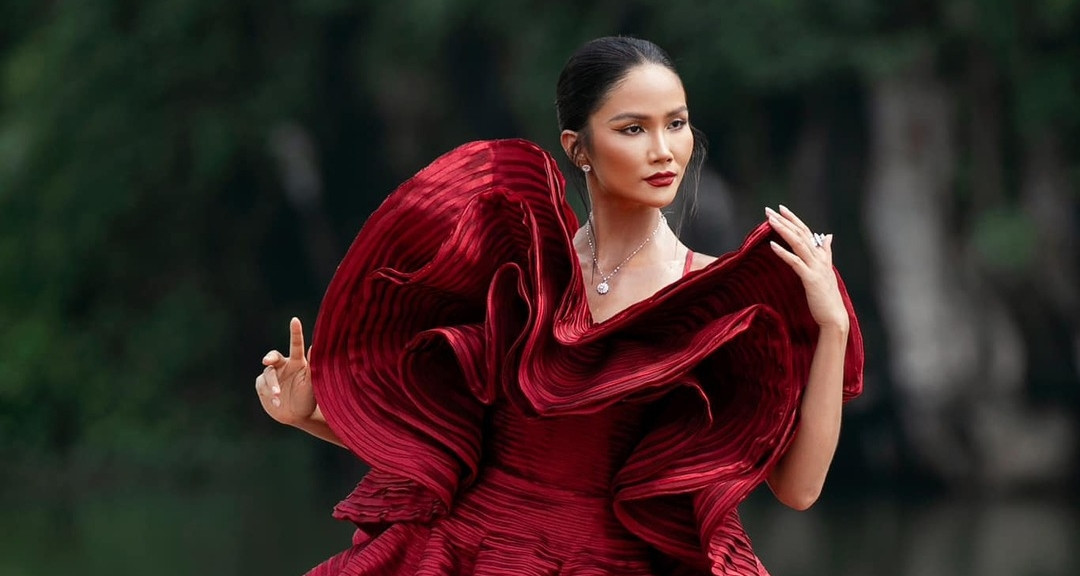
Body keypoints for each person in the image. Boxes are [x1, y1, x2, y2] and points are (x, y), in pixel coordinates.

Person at [254, 36, 863, 576]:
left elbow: (799, 490)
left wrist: (831, 325)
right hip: (471, 550)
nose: (663, 150)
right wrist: (307, 415)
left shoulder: (713, 301)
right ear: (579, 148)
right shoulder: (520, 269)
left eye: (676, 124)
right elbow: (449, 450)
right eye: (633, 128)